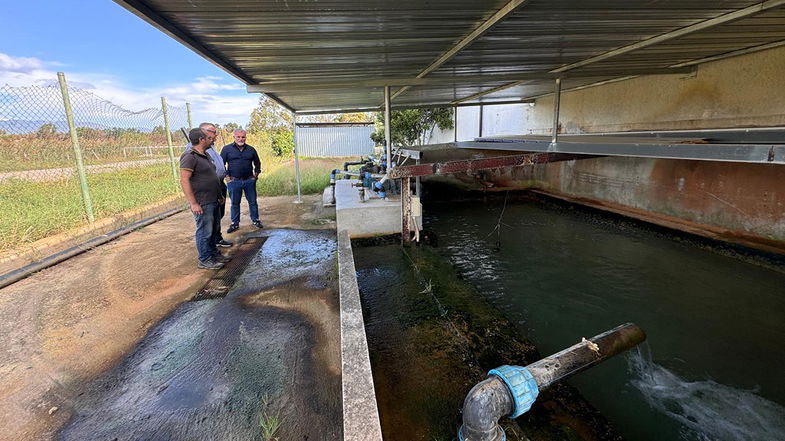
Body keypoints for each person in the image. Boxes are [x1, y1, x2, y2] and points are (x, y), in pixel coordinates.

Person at [180, 128, 232, 269]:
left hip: (213, 199)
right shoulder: (189, 157)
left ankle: (214, 254)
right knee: (205, 231)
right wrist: (193, 203)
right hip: (202, 202)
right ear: (202, 140)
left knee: (214, 229)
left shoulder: (205, 155)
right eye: (209, 138)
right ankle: (204, 259)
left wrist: (220, 196)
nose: (212, 140)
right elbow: (184, 180)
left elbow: (213, 178)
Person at [221, 129, 263, 233]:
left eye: (243, 137)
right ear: (234, 137)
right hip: (234, 182)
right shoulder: (227, 149)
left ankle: (255, 220)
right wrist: (227, 178)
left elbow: (257, 163)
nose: (241, 139)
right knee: (235, 203)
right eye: (238, 137)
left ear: (245, 137)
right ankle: (235, 223)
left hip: (249, 181)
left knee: (253, 202)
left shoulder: (251, 150)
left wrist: (255, 176)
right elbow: (221, 164)